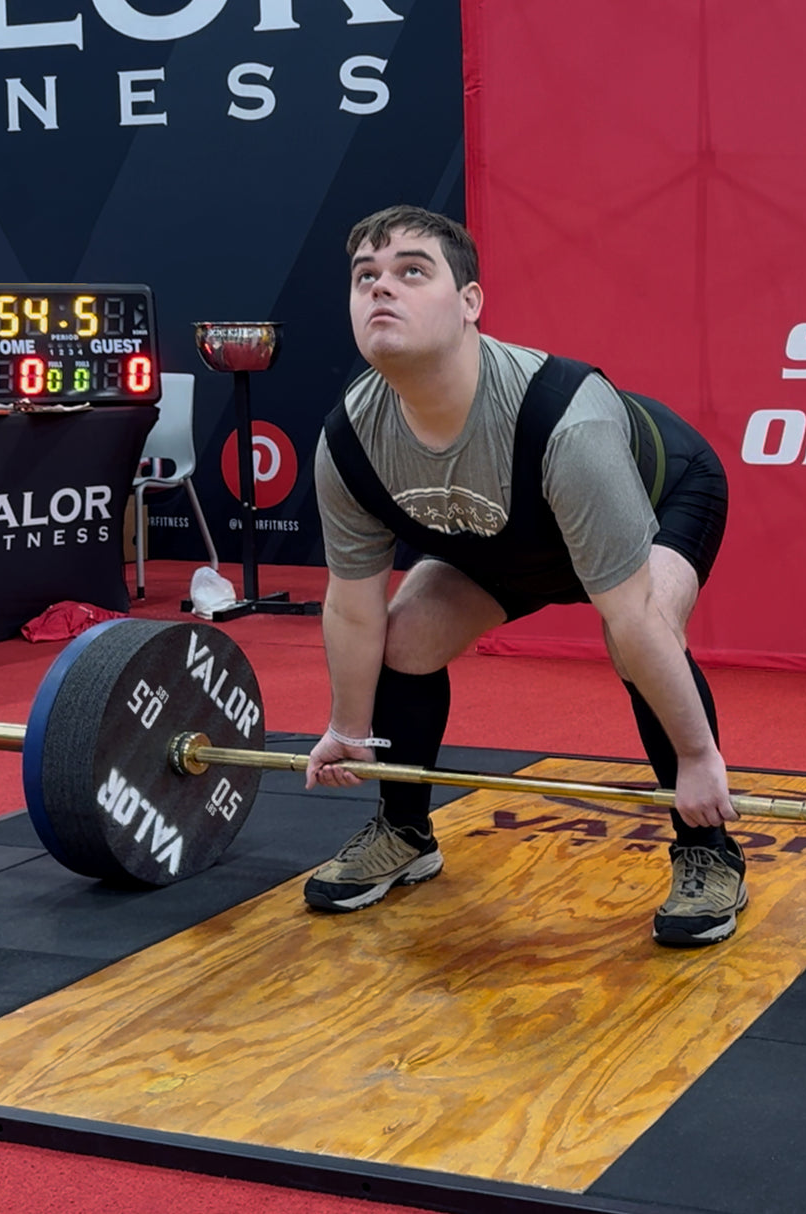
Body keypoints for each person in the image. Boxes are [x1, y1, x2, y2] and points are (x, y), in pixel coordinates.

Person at [304, 204, 743, 947]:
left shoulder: (565, 420)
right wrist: (349, 729)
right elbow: (353, 608)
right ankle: (405, 832)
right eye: (365, 276)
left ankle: (708, 849)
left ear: (469, 302)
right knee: (404, 641)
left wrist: (700, 759)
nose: (382, 287)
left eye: (412, 271)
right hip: (509, 538)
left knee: (636, 640)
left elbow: (633, 614)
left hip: (661, 496)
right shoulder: (349, 441)